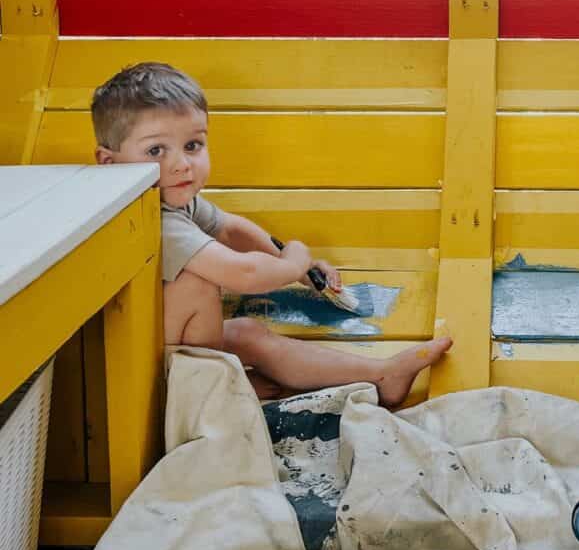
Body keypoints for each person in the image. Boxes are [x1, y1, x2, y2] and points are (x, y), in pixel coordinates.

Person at [92, 61, 451, 405]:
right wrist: (293, 264)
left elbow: (230, 228)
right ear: (109, 162)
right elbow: (244, 274)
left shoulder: (173, 200)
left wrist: (289, 263)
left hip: (161, 343)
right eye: (156, 150)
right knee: (195, 283)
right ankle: (214, 388)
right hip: (139, 372)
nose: (181, 163)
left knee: (247, 334)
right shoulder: (152, 219)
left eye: (193, 145)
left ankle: (382, 375)